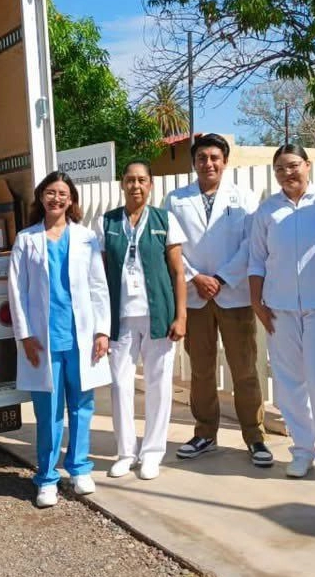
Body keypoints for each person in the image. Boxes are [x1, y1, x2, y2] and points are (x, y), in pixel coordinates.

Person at [164, 133, 271, 467]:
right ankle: (205, 433)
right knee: (201, 370)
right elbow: (172, 247)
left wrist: (222, 278)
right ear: (194, 163)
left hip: (233, 294)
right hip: (195, 295)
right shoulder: (176, 199)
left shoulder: (244, 197)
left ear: (225, 161)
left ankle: (255, 437)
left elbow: (250, 245)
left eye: (214, 157)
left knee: (244, 369)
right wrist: (196, 276)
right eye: (201, 158)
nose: (208, 164)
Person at [7, 171, 111, 509]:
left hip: (81, 338)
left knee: (82, 406)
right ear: (41, 197)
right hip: (43, 339)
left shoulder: (85, 237)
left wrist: (102, 330)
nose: (56, 199)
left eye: (62, 193)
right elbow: (17, 292)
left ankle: (79, 469)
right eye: (50, 192)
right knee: (48, 411)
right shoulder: (26, 239)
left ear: (71, 199)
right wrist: (24, 335)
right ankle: (47, 477)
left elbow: (98, 286)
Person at [249, 144, 315, 481]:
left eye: (293, 166)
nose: (287, 173)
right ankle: (302, 451)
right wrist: (257, 304)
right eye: (280, 169)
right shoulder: (268, 211)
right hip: (280, 310)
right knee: (289, 384)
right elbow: (257, 261)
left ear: (308, 165)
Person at [100, 160, 188, 481]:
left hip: (159, 317)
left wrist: (181, 316)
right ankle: (126, 452)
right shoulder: (107, 222)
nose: (136, 185)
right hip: (120, 319)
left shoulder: (165, 220)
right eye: (130, 180)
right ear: (122, 184)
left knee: (158, 386)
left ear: (151, 185)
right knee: (121, 385)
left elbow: (178, 273)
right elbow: (100, 274)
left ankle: (152, 453)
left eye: (142, 180)